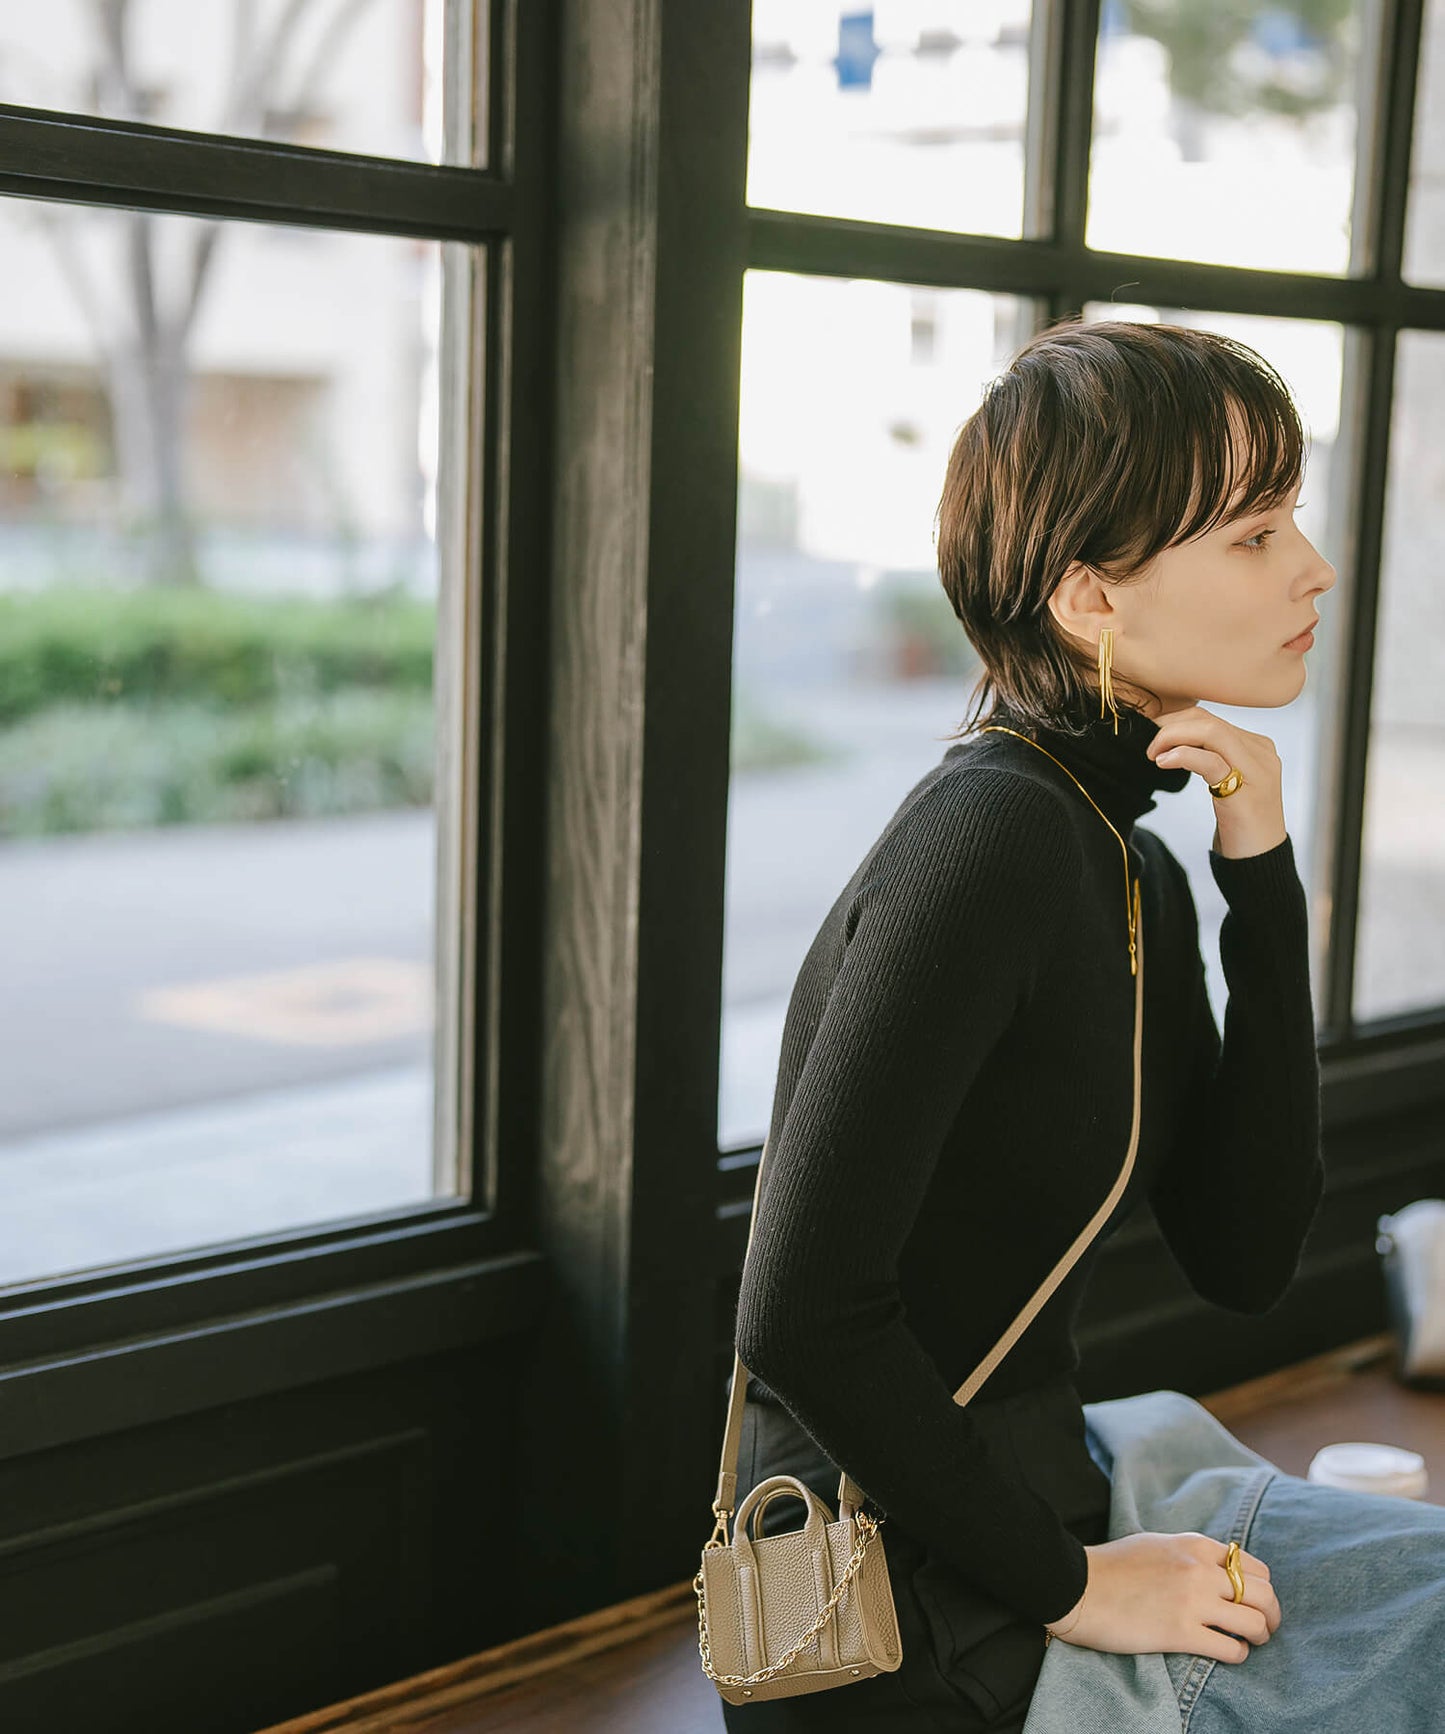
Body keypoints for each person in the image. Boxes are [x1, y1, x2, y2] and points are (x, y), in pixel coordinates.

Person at [719, 317, 1339, 1731]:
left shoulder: (1125, 860)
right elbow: (798, 1312)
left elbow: (1243, 1256)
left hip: (1027, 1492)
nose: (1307, 567)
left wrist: (1264, 879)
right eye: (1251, 533)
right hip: (894, 1607)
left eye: (1289, 518)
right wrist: (1075, 1586)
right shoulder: (989, 836)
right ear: (1086, 598)